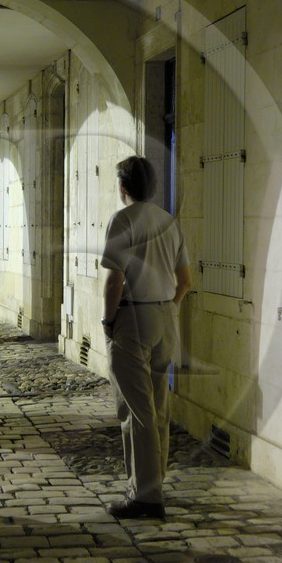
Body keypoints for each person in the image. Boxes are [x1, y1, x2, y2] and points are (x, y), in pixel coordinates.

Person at [101, 155, 191, 519]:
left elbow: (114, 279)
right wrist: (169, 308)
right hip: (166, 318)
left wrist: (109, 323)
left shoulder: (123, 220)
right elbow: (186, 282)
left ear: (123, 187)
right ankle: (155, 479)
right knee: (158, 408)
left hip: (133, 318)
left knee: (136, 410)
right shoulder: (169, 223)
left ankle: (146, 497)